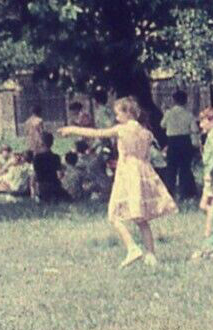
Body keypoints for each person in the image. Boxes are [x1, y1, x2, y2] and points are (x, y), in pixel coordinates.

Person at [60, 97, 177, 268]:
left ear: (127, 112)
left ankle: (132, 247)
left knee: (114, 215)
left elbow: (96, 133)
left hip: (127, 173)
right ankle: (151, 255)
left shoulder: (122, 130)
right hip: (143, 172)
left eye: (118, 113)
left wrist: (73, 129)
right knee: (141, 217)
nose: (116, 117)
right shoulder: (146, 133)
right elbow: (146, 157)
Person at [160, 89, 201, 200]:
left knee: (171, 168)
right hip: (185, 141)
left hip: (172, 141)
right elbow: (194, 128)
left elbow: (162, 125)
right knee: (185, 168)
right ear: (186, 101)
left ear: (174, 100)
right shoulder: (188, 114)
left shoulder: (169, 113)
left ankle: (169, 191)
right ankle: (185, 192)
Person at [30, 132, 68, 204]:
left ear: (41, 143)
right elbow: (60, 175)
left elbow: (34, 175)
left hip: (42, 186)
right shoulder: (56, 157)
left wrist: (33, 191)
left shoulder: (36, 158)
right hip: (54, 185)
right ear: (52, 143)